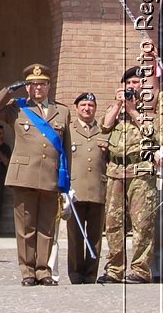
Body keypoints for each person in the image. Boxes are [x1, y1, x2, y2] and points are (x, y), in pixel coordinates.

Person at [0, 64, 71, 286]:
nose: (38, 88)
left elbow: (66, 148)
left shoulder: (62, 111)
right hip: (24, 175)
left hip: (50, 176)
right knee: (26, 227)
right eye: (33, 84)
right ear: (27, 88)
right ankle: (27, 271)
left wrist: (66, 181)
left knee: (46, 226)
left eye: (42, 84)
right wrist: (8, 90)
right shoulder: (17, 108)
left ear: (49, 86)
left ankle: (43, 270)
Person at [99, 66, 162, 284]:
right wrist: (118, 105)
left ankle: (140, 269)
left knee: (142, 223)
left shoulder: (149, 110)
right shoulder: (116, 108)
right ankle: (114, 269)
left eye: (136, 83)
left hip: (141, 172)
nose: (131, 87)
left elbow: (154, 135)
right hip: (116, 172)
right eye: (128, 83)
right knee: (113, 223)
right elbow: (105, 126)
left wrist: (134, 111)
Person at [65, 92, 108, 284]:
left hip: (98, 188)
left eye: (90, 105)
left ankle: (90, 274)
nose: (87, 109)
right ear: (76, 108)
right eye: (83, 105)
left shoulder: (104, 130)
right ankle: (75, 273)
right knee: (75, 236)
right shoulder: (69, 130)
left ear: (95, 109)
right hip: (76, 190)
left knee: (95, 236)